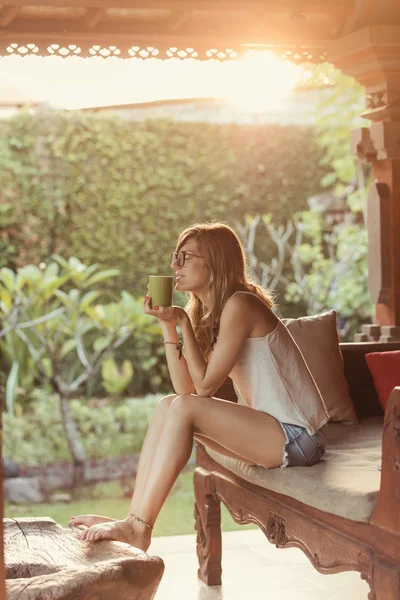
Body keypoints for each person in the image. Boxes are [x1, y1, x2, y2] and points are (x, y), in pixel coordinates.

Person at [70, 222, 329, 551]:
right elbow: (184, 388)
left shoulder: (240, 304)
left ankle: (139, 527)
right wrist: (169, 325)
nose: (174, 265)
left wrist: (181, 322)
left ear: (213, 262)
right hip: (273, 434)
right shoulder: (214, 313)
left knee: (183, 407)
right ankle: (132, 520)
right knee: (168, 405)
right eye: (174, 256)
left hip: (298, 437)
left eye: (184, 256)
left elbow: (203, 390)